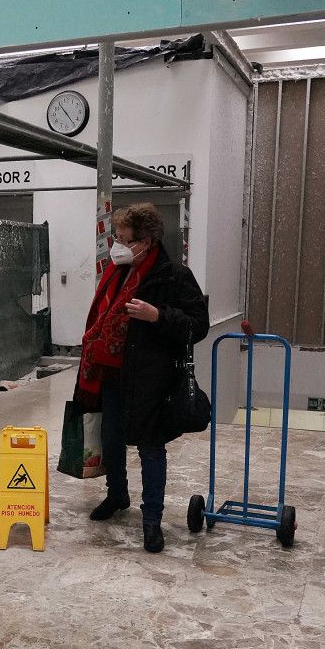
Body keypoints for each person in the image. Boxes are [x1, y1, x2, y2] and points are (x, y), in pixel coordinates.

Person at [73, 203, 209, 553]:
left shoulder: (174, 276)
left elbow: (198, 326)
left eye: (124, 240)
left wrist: (157, 315)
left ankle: (152, 522)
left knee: (150, 448)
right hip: (113, 374)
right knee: (112, 439)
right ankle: (117, 496)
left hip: (152, 380)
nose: (116, 245)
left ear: (146, 242)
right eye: (116, 238)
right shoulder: (116, 272)